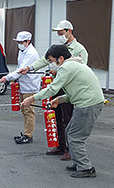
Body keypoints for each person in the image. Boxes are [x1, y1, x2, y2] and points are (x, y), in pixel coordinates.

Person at [21, 44, 104, 178]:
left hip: (88, 104)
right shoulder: (75, 65)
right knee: (70, 131)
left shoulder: (67, 67)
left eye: (52, 60)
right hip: (86, 102)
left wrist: (31, 98)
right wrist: (60, 99)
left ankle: (85, 167)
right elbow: (77, 90)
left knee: (76, 137)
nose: (51, 64)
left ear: (60, 58)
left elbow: (52, 88)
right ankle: (78, 162)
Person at [18, 20, 88, 160]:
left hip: (69, 89)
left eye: (61, 33)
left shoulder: (79, 49)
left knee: (69, 119)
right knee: (56, 117)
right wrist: (29, 68)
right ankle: (61, 145)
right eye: (58, 34)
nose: (60, 36)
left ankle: (70, 148)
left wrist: (59, 72)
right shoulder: (58, 48)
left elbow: (80, 69)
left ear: (69, 31)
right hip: (57, 87)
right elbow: (44, 60)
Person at [0, 31, 41, 144]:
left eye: (21, 42)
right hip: (23, 85)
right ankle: (26, 132)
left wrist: (7, 78)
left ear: (28, 41)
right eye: (18, 42)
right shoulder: (22, 51)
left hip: (30, 86)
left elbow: (21, 70)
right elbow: (19, 68)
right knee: (24, 110)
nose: (19, 44)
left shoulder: (31, 53)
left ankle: (28, 135)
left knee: (29, 111)